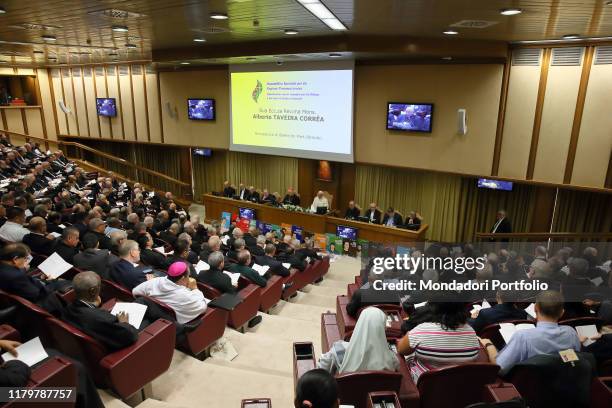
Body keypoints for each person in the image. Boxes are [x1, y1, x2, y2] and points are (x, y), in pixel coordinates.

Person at [479, 290, 582, 374]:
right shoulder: (571, 333)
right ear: (562, 313)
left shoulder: (523, 337)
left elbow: (499, 368)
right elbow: (573, 362)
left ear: (535, 308)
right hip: (562, 389)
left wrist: (488, 344)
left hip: (529, 392)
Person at [398, 301, 480, 382]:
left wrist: (410, 334)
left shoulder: (422, 330)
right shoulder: (472, 332)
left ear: (434, 307)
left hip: (424, 386)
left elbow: (401, 350)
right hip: (459, 385)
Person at [62, 271, 139, 351]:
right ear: (92, 291)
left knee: (141, 301)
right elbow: (130, 336)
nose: (101, 288)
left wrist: (94, 306)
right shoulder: (101, 319)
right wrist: (124, 323)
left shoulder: (68, 309)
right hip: (123, 345)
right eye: (100, 285)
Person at [318, 307, 398, 375]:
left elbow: (319, 372)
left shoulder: (338, 350)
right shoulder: (392, 359)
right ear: (382, 328)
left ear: (359, 323)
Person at [132, 261, 208, 324]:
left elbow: (135, 292)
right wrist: (195, 289)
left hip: (154, 318)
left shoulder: (155, 281)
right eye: (188, 276)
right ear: (182, 278)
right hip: (174, 324)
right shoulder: (186, 296)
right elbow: (203, 308)